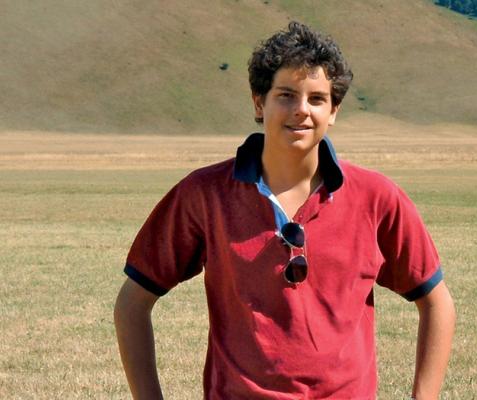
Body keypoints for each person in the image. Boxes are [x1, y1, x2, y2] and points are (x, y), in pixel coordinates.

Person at [114, 21, 455, 400]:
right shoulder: (204, 194)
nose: (301, 110)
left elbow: (436, 302)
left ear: (334, 110)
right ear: (259, 102)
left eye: (317, 99)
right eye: (286, 96)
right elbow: (133, 302)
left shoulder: (377, 198)